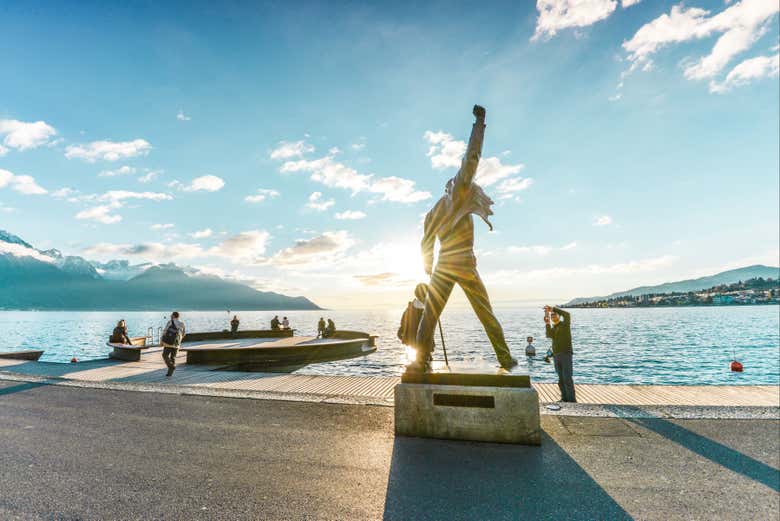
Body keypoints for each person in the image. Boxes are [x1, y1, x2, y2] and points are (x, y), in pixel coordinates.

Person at [412, 105, 517, 372]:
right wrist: (479, 123)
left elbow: (426, 240)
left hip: (443, 266)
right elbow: (472, 156)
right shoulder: (459, 192)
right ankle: (505, 358)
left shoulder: (434, 209)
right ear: (455, 186)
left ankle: (421, 359)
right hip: (464, 265)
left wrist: (428, 263)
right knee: (485, 313)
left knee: (430, 315)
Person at [545, 305, 576, 402]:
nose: (553, 317)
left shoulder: (565, 325)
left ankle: (571, 400)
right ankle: (564, 398)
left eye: (554, 315)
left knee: (567, 378)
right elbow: (549, 335)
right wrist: (547, 324)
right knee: (560, 379)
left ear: (558, 316)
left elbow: (567, 314)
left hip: (566, 354)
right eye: (551, 316)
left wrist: (553, 309)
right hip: (556, 356)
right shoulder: (554, 327)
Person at [398, 283, 429, 354]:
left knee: (419, 347)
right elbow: (404, 320)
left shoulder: (410, 307)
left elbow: (404, 320)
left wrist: (402, 329)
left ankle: (423, 358)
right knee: (421, 347)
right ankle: (423, 358)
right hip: (418, 336)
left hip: (414, 336)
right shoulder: (427, 307)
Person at [161, 312, 185, 377]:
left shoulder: (170, 322)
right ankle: (170, 373)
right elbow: (183, 334)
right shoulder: (182, 323)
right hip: (176, 344)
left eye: (171, 315)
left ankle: (171, 366)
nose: (170, 316)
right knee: (173, 357)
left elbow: (165, 331)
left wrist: (162, 340)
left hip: (168, 343)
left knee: (164, 355)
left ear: (174, 316)